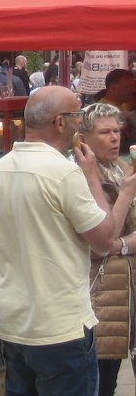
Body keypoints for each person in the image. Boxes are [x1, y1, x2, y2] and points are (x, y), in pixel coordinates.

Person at [0, 86, 136, 396]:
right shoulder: (65, 174)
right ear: (60, 122)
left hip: (13, 325)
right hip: (61, 329)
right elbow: (103, 239)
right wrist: (95, 177)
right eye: (77, 114)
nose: (80, 122)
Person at [76, 103, 136, 396]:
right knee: (102, 382)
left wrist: (120, 245)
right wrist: (125, 194)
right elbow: (102, 241)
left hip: (125, 292)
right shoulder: (83, 178)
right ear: (84, 139)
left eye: (117, 131)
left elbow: (114, 242)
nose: (115, 138)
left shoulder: (120, 167)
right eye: (105, 132)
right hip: (102, 296)